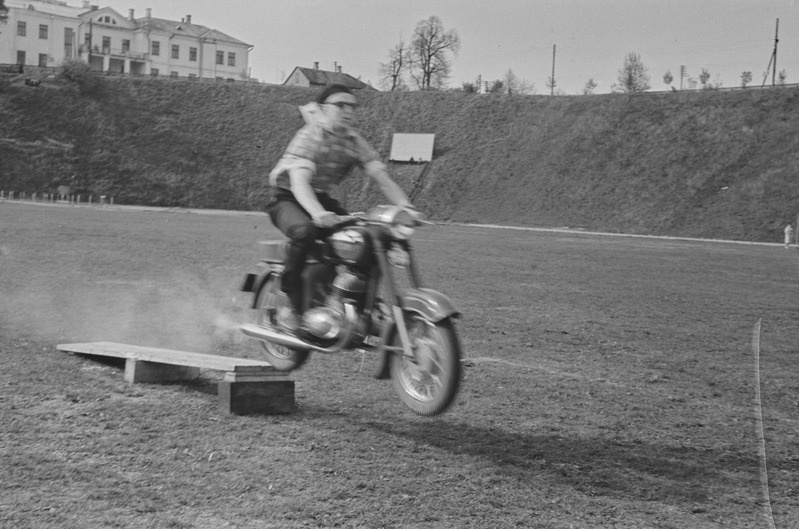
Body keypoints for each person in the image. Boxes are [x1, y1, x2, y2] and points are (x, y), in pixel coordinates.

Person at [265, 84, 416, 333]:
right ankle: (289, 305)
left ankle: (355, 303)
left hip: (321, 198)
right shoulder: (311, 134)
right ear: (323, 109)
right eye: (340, 105)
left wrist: (406, 208)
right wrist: (317, 214)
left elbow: (381, 178)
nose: (347, 111)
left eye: (352, 106)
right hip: (287, 197)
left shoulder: (354, 141)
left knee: (367, 237)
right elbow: (299, 181)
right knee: (305, 232)